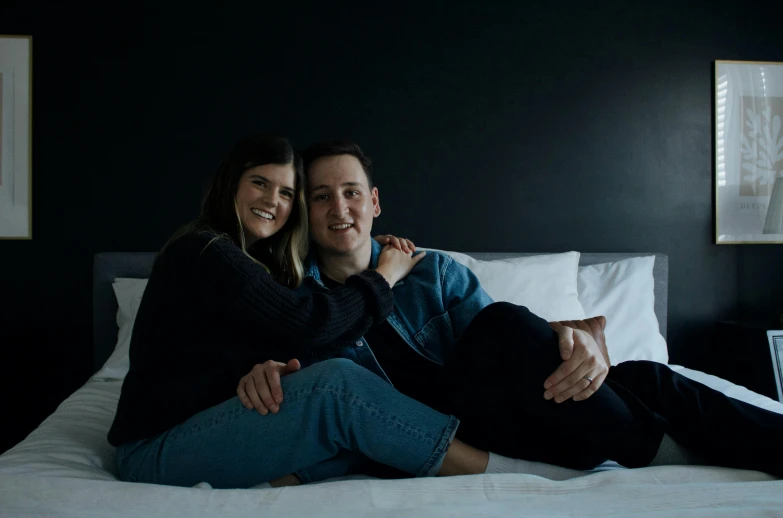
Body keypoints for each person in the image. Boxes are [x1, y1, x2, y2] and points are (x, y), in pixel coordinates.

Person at [238, 139, 783, 480]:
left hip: (510, 408)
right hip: (440, 436)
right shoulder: (300, 305)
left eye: (352, 193)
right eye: (321, 196)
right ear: (304, 211)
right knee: (515, 332)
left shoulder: (435, 271)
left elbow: (518, 351)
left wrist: (582, 346)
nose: (340, 209)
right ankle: (664, 452)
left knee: (647, 376)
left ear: (374, 202)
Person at [107, 134, 512, 489]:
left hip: (205, 427)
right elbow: (314, 322)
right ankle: (504, 471)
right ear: (230, 183)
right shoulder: (205, 251)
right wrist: (385, 274)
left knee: (360, 430)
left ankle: (281, 480)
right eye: (260, 183)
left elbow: (228, 349)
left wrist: (262, 368)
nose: (272, 200)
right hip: (155, 447)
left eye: (285, 193)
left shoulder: (256, 263)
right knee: (338, 386)